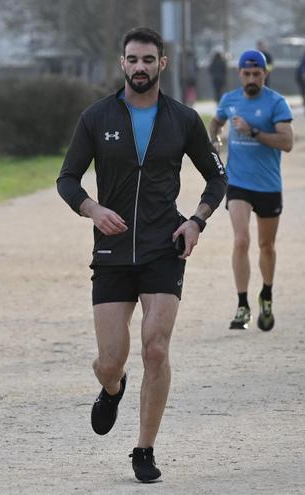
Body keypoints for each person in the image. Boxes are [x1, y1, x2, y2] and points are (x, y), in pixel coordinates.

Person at [57, 27, 227, 483]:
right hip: (112, 250)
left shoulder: (184, 119)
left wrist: (196, 221)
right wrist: (92, 210)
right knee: (110, 360)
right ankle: (112, 388)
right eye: (132, 59)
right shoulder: (96, 117)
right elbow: (68, 179)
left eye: (148, 60)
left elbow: (217, 179)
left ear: (162, 65)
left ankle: (144, 448)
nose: (140, 67)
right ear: (122, 64)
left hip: (162, 247)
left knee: (156, 348)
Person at [207, 49, 294, 332]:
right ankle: (242, 304)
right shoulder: (229, 100)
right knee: (241, 240)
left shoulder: (276, 103)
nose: (252, 78)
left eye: (257, 74)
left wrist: (253, 132)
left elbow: (287, 142)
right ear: (239, 74)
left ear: (265, 74)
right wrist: (215, 140)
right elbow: (216, 121)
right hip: (238, 183)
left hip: (268, 185)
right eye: (247, 74)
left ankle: (266, 294)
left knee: (266, 246)